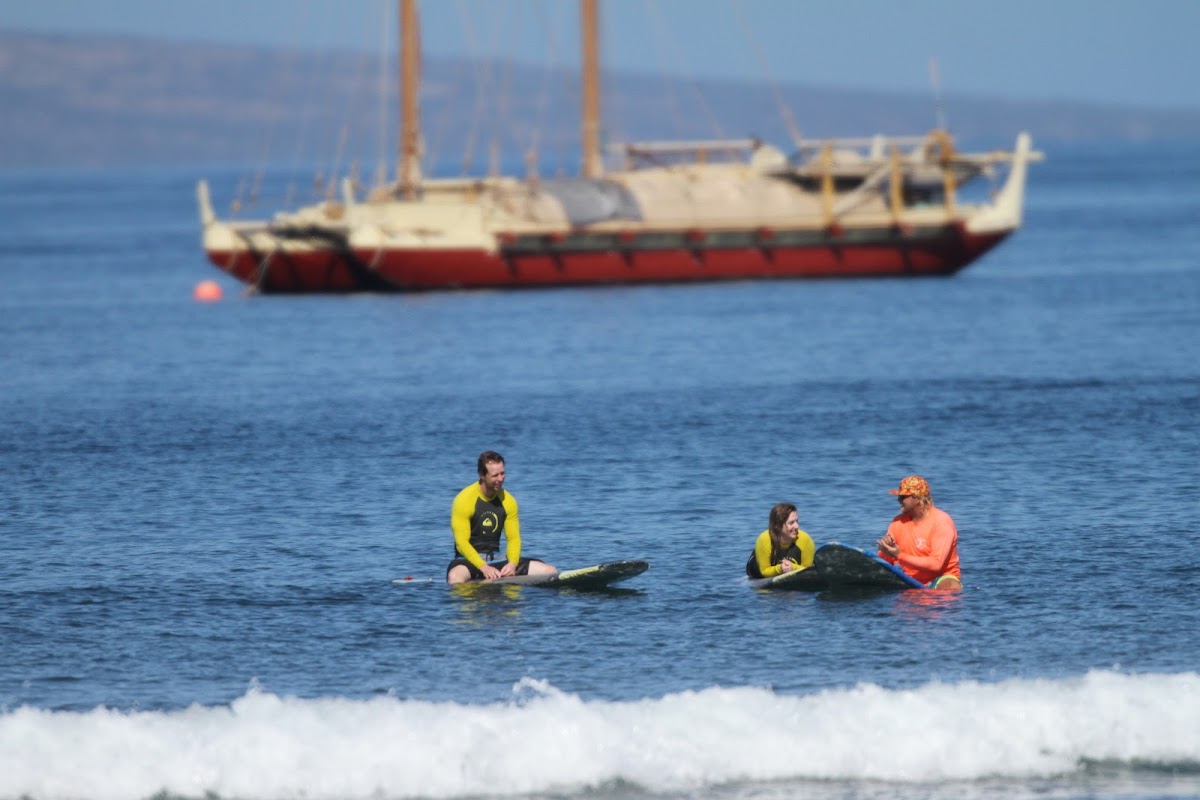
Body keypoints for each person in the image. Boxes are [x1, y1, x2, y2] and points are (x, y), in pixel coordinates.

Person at [446, 451, 557, 584]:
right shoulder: (463, 500)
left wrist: (512, 564)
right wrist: (484, 568)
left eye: (502, 473)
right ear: (481, 475)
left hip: (497, 561)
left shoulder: (508, 501)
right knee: (455, 577)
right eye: (495, 475)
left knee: (550, 571)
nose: (500, 479)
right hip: (468, 562)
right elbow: (461, 544)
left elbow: (513, 539)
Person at [876, 475, 962, 590]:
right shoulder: (897, 523)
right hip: (910, 581)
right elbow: (883, 564)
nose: (899, 500)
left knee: (951, 584)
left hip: (941, 579)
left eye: (903, 497)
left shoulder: (941, 522)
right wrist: (886, 550)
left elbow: (936, 564)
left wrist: (899, 555)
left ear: (916, 498)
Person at [745, 502, 816, 579]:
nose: (797, 526)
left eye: (797, 521)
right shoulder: (764, 539)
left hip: (793, 568)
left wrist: (793, 567)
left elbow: (809, 570)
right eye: (791, 523)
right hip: (758, 570)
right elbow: (764, 571)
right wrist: (780, 569)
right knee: (754, 571)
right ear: (778, 525)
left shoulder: (806, 540)